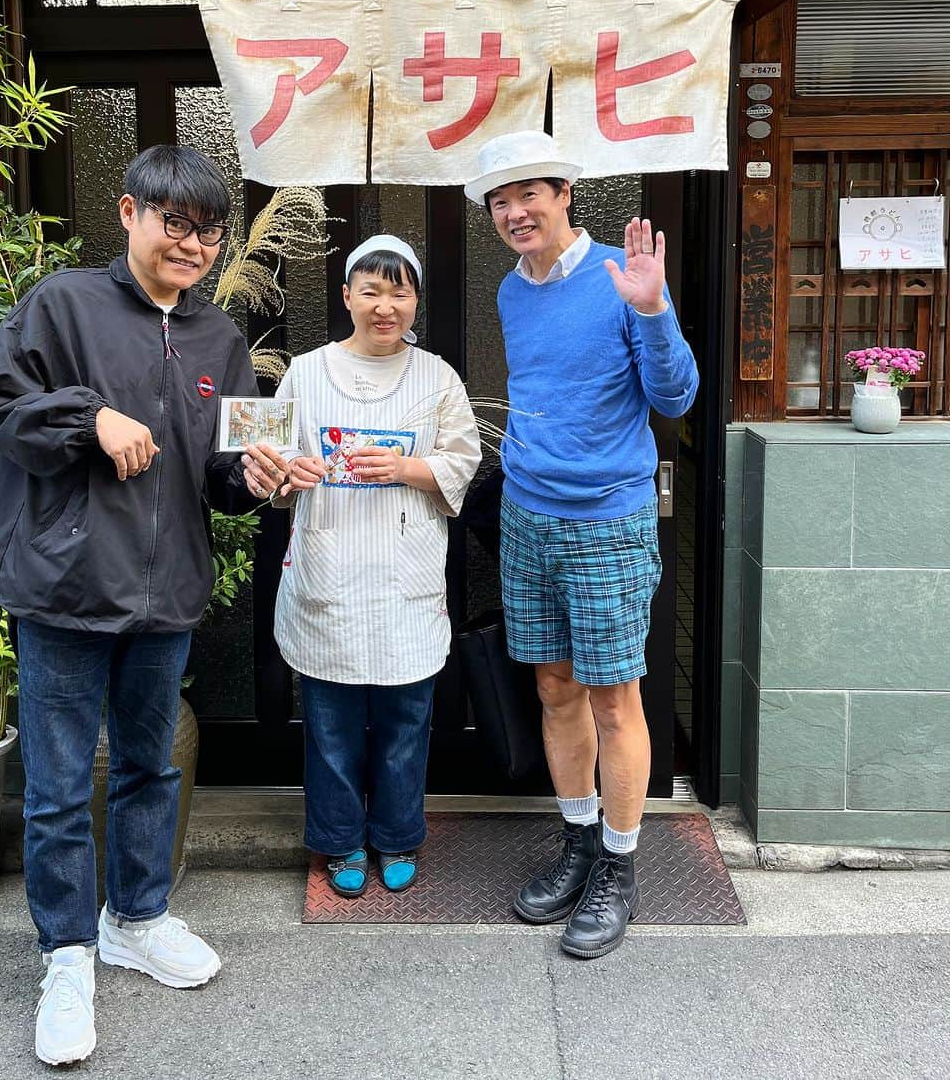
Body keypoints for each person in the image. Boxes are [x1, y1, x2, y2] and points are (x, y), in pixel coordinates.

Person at [0, 145, 288, 1066]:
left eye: (209, 229)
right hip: (64, 589)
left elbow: (228, 477)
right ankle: (66, 955)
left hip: (166, 594)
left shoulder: (221, 340)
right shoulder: (63, 304)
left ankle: (136, 919)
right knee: (62, 787)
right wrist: (87, 416)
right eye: (174, 221)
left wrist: (258, 477)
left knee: (149, 770)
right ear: (130, 214)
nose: (192, 242)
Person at [464, 130, 698, 960]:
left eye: (529, 193)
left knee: (613, 698)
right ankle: (577, 841)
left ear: (565, 192)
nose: (514, 212)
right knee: (555, 688)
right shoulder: (510, 290)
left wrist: (652, 310)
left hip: (607, 518)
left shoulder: (615, 281)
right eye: (499, 200)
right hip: (529, 514)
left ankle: (621, 868)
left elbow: (674, 393)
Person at [272, 236, 481, 897]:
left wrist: (408, 468)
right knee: (330, 727)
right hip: (328, 576)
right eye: (371, 290)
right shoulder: (305, 372)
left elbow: (464, 460)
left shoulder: (438, 377)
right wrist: (286, 473)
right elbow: (267, 468)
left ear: (415, 300)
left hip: (404, 583)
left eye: (398, 291)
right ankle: (338, 844)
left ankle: (396, 836)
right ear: (346, 298)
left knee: (403, 725)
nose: (384, 305)